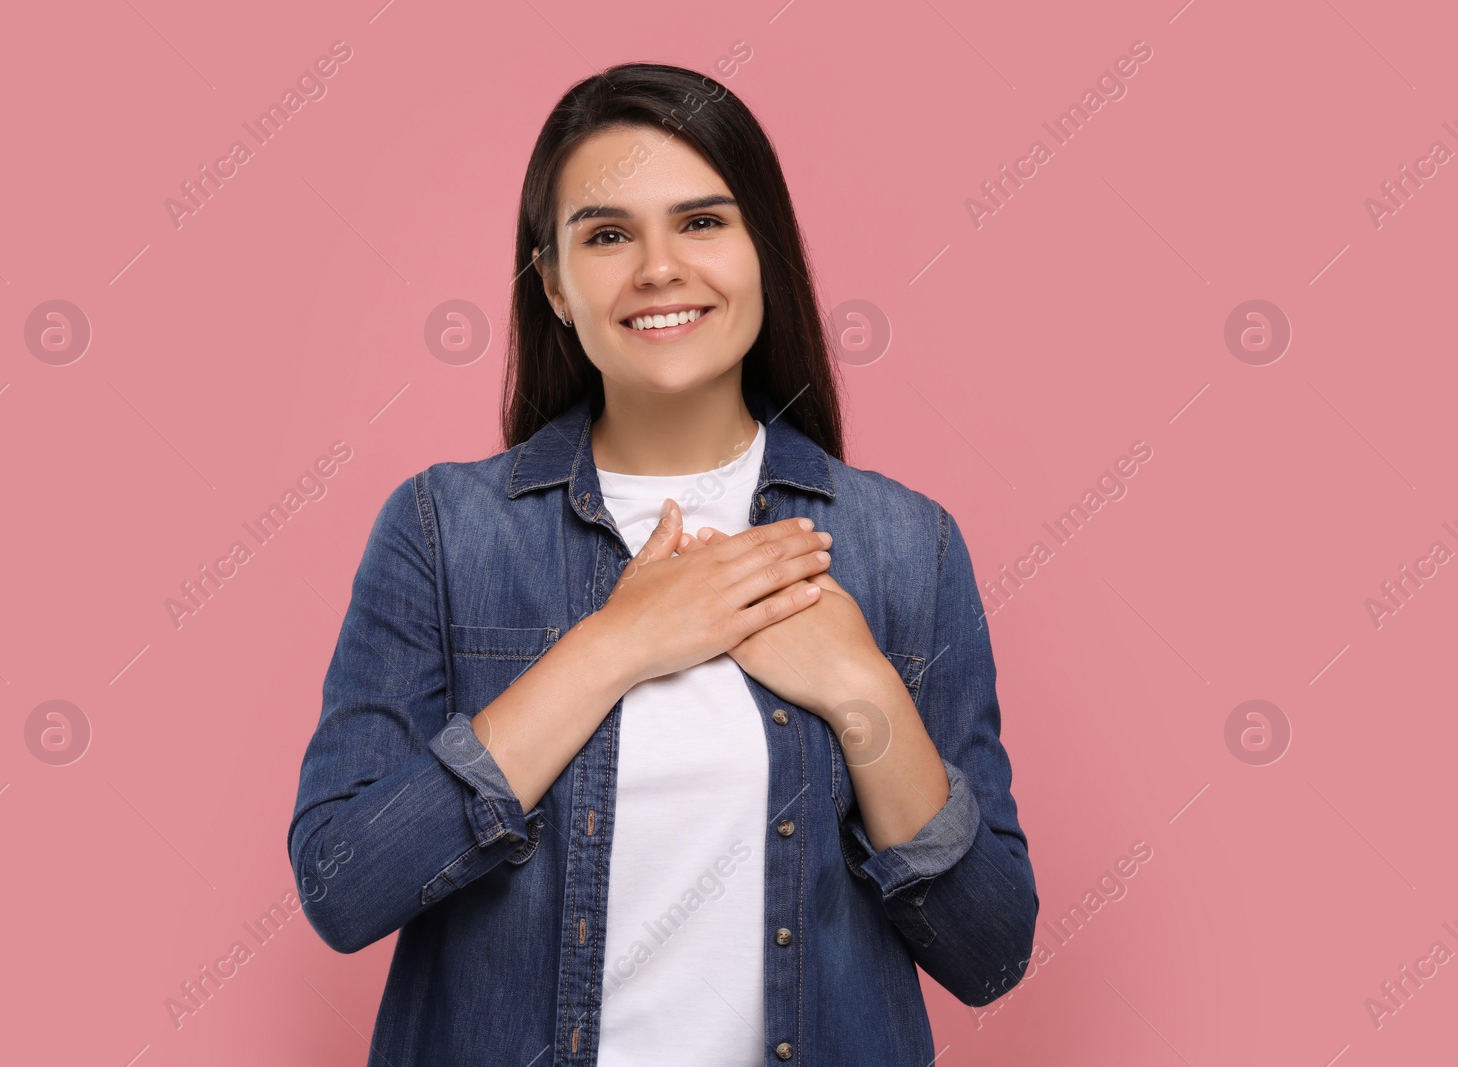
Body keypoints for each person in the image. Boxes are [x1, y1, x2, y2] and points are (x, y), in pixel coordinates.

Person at [287, 61, 1037, 1066]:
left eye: (701, 222)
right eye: (606, 234)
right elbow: (345, 882)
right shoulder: (443, 530)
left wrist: (862, 687)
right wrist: (614, 645)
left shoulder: (904, 547)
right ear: (552, 281)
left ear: (761, 250)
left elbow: (990, 951)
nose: (657, 268)